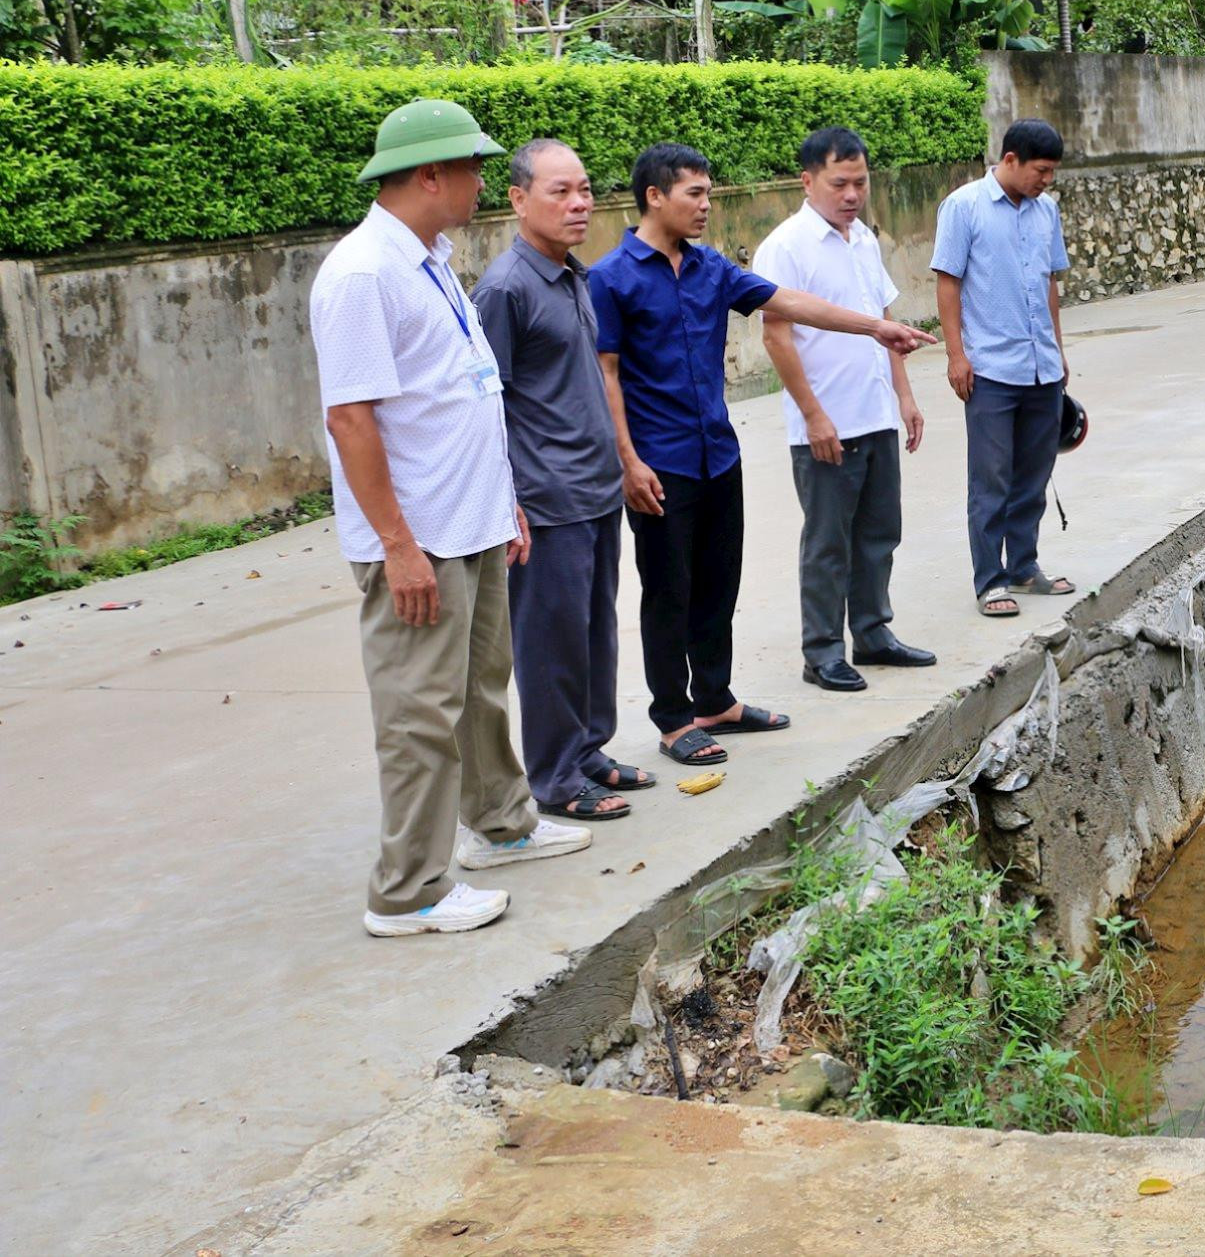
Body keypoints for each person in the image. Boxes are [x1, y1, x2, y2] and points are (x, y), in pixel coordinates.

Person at [311, 98, 591, 938]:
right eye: (472, 168)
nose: (482, 181)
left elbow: (461, 394)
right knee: (417, 714)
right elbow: (351, 419)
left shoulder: (427, 256)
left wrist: (500, 500)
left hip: (467, 521)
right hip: (419, 538)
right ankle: (408, 890)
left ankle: (502, 822)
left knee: (476, 689)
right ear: (429, 175)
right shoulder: (363, 273)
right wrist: (398, 546)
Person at [588, 142, 935, 770]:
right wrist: (627, 461)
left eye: (709, 193)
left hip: (717, 454)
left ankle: (715, 700)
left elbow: (792, 304)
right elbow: (605, 374)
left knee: (719, 584)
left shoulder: (710, 269)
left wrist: (876, 327)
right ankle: (672, 718)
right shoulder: (611, 278)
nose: (706, 205)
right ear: (654, 197)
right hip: (658, 463)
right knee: (669, 592)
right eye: (695, 194)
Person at [474, 138, 638, 824]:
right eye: (559, 191)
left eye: (584, 189)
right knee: (550, 641)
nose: (578, 203)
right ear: (518, 199)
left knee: (593, 631)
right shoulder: (505, 289)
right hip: (547, 498)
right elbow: (485, 404)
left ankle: (587, 749)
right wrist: (507, 500)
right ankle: (554, 774)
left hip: (595, 488)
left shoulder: (574, 276)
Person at [752, 127, 934, 693]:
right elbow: (776, 336)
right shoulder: (785, 246)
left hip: (875, 412)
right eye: (840, 183)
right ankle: (823, 651)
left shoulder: (865, 241)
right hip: (826, 423)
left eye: (860, 182)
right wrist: (813, 415)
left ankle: (874, 634)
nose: (852, 194)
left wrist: (903, 397)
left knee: (880, 532)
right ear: (808, 182)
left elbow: (885, 325)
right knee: (829, 541)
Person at [931, 117, 1074, 619]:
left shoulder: (1046, 210)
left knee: (1033, 474)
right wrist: (956, 355)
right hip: (990, 368)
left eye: (1052, 172)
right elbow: (947, 283)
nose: (1046, 180)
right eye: (1041, 169)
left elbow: (1050, 282)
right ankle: (990, 580)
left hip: (1042, 368)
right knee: (990, 478)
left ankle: (1024, 566)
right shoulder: (964, 206)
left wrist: (1058, 352)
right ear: (1009, 160)